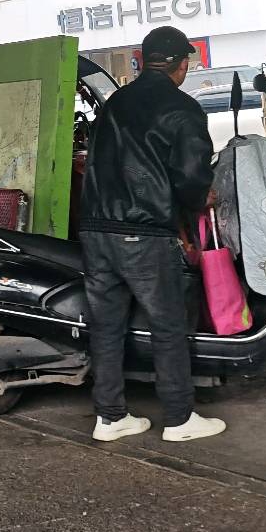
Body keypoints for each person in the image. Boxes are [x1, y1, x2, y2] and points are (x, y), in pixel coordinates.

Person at [79, 26, 224, 443]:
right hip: (142, 231)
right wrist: (200, 198)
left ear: (143, 61)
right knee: (168, 324)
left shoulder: (115, 103)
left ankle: (110, 417)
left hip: (95, 228)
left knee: (106, 327)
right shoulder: (182, 109)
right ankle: (179, 419)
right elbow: (191, 175)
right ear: (182, 65)